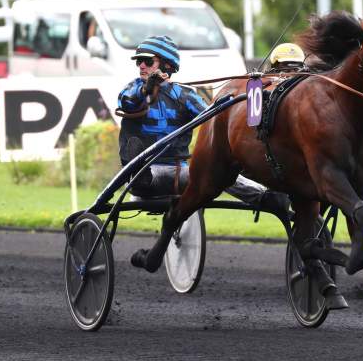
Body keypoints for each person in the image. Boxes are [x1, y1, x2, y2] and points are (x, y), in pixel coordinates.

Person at [116, 35, 290, 268]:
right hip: (143, 175)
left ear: (166, 65)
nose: (141, 66)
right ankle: (141, 173)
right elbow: (127, 102)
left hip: (180, 173)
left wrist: (229, 103)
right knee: (151, 167)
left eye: (148, 61)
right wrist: (147, 89)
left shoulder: (184, 95)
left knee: (216, 174)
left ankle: (263, 197)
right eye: (139, 62)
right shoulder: (132, 90)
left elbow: (211, 118)